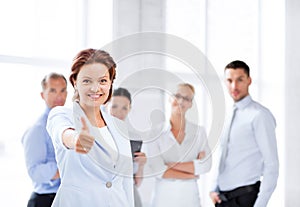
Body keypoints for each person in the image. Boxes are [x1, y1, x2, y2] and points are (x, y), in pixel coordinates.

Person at [46, 49, 134, 207]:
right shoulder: (62, 115)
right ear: (75, 82)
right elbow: (62, 132)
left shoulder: (119, 126)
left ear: (110, 83)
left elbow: (126, 183)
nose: (95, 88)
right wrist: (75, 139)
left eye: (102, 81)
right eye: (87, 81)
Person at [210, 60, 279, 207]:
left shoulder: (259, 115)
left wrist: (260, 204)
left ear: (249, 80)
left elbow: (271, 164)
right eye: (229, 80)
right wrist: (213, 188)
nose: (234, 86)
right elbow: (223, 154)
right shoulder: (228, 115)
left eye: (240, 80)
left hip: (246, 198)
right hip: (223, 199)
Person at [147, 83, 212, 207]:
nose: (181, 101)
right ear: (170, 98)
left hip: (190, 199)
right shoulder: (155, 133)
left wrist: (170, 166)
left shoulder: (199, 132)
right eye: (177, 96)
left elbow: (206, 165)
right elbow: (156, 170)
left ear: (191, 104)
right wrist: (192, 172)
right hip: (163, 199)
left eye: (187, 98)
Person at [22, 72, 68, 207]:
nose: (59, 96)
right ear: (43, 95)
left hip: (64, 198)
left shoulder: (69, 124)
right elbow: (35, 172)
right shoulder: (38, 129)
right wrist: (67, 167)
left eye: (63, 90)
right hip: (44, 200)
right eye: (53, 90)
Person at [109, 87, 147, 207]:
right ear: (106, 105)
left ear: (129, 109)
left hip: (128, 194)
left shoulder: (133, 138)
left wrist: (141, 165)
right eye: (114, 106)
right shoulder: (98, 134)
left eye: (124, 108)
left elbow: (137, 182)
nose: (119, 112)